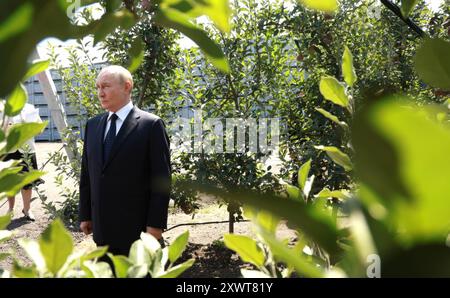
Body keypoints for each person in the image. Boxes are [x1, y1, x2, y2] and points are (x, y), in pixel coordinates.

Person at [79, 65, 171, 258]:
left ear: (127, 86)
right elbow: (87, 174)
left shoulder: (151, 125)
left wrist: (155, 226)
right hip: (102, 233)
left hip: (137, 234)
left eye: (105, 86)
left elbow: (161, 180)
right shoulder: (93, 125)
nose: (100, 93)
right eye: (97, 87)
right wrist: (86, 214)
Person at [3, 103, 43, 221]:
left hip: (27, 150)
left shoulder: (30, 108)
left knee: (27, 183)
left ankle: (27, 209)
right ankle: (10, 209)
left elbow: (40, 130)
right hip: (8, 150)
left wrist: (32, 127)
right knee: (9, 183)